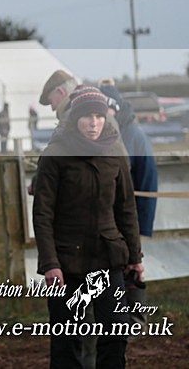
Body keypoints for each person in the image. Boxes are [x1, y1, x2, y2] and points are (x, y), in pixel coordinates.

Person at [33, 86, 143, 368]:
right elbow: (42, 215)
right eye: (86, 117)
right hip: (66, 262)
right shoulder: (54, 156)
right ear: (74, 119)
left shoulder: (114, 152)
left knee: (116, 332)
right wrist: (50, 263)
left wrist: (135, 257)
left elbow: (126, 209)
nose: (93, 123)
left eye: (99, 116)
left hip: (108, 258)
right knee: (68, 340)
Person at [99, 85, 158, 237]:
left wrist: (143, 227)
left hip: (126, 220)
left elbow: (148, 179)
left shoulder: (133, 135)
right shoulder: (104, 133)